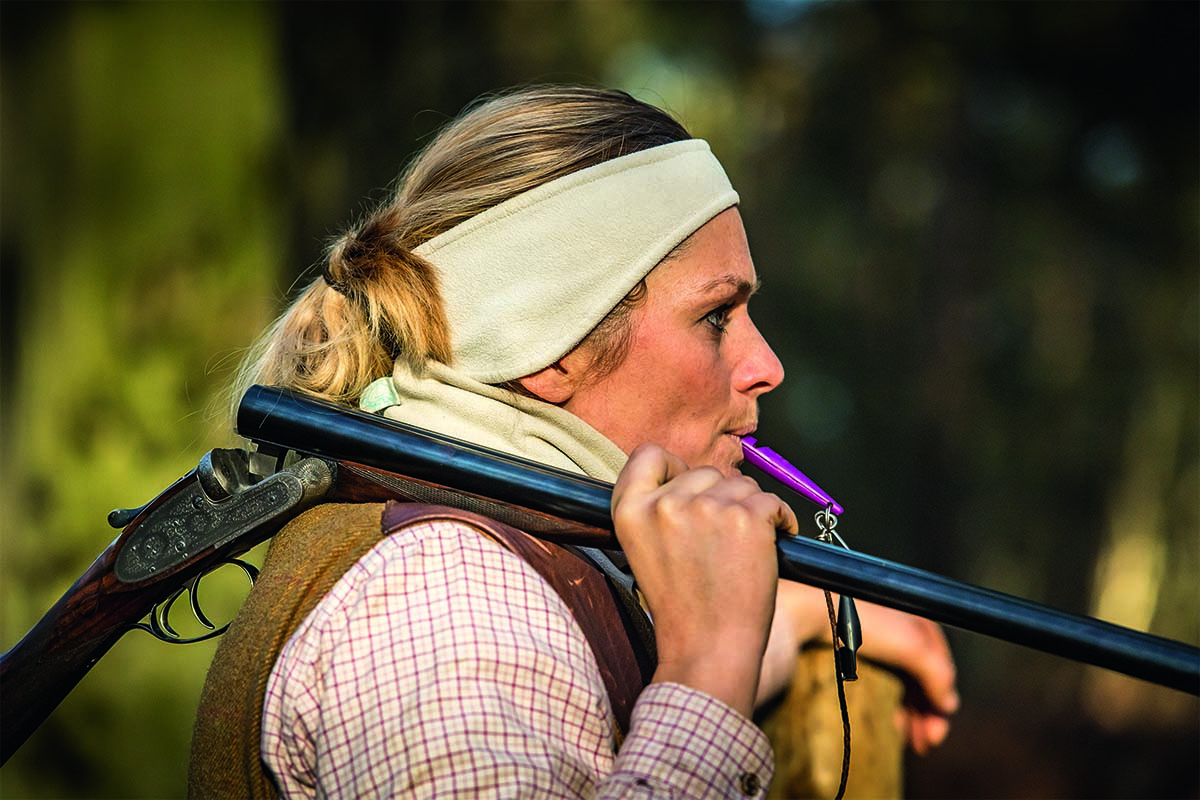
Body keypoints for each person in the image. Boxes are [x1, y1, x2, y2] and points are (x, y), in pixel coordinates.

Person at [191, 85, 957, 798]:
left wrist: (789, 614)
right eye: (716, 317)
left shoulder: (508, 551)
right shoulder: (455, 598)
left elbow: (607, 677)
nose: (767, 367)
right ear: (552, 344)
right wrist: (710, 673)